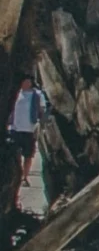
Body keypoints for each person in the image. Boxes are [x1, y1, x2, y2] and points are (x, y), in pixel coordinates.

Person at [7, 75, 46, 213]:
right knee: (15, 153)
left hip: (29, 129)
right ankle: (19, 174)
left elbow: (42, 110)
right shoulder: (16, 94)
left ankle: (25, 176)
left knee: (28, 155)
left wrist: (40, 124)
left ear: (31, 82)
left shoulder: (37, 95)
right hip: (15, 128)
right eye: (23, 81)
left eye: (28, 81)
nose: (25, 83)